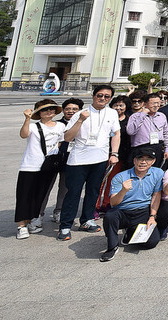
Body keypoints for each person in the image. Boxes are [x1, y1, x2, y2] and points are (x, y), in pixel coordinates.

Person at [58, 84, 121, 241]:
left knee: (93, 191)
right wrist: (80, 120)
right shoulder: (81, 113)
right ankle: (65, 225)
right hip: (79, 159)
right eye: (100, 95)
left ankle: (87, 220)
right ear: (93, 96)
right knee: (73, 193)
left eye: (107, 96)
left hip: (100, 159)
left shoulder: (112, 113)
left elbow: (116, 134)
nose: (103, 98)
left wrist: (114, 153)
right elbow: (67, 137)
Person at [99, 145, 163, 261]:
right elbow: (113, 203)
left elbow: (156, 195)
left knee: (152, 242)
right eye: (140, 159)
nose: (143, 162)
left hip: (142, 211)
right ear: (134, 160)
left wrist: (152, 216)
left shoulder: (158, 173)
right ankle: (112, 247)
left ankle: (130, 233)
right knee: (110, 216)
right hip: (122, 211)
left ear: (153, 161)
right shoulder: (120, 177)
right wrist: (123, 191)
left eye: (148, 159)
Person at [15, 99, 65, 239]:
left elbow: (60, 143)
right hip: (30, 165)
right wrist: (27, 119)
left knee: (39, 196)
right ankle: (21, 226)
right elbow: (23, 135)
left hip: (48, 167)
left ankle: (31, 221)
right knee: (25, 196)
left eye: (51, 109)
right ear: (39, 113)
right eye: (44, 110)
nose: (49, 112)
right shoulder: (32, 126)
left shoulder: (60, 126)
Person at [126, 93, 168, 165]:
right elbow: (131, 131)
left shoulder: (162, 116)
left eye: (158, 103)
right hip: (141, 148)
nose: (156, 105)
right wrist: (142, 115)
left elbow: (166, 133)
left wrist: (167, 149)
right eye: (153, 103)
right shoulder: (135, 116)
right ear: (145, 104)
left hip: (158, 147)